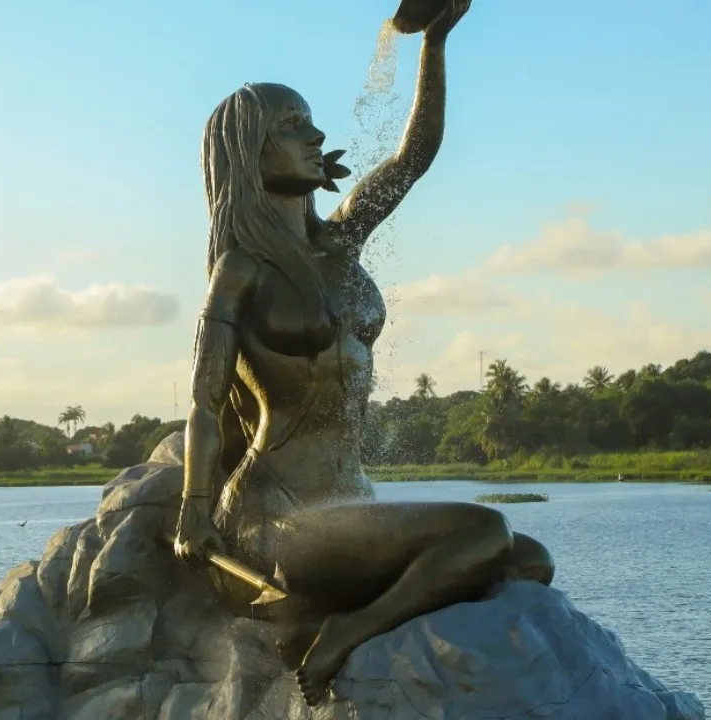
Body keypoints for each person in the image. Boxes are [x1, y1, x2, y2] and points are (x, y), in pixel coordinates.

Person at [171, 0, 555, 707]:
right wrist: (195, 508)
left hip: (348, 507)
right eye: (292, 125)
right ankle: (348, 632)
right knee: (484, 531)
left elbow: (413, 158)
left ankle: (354, 626)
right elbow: (202, 398)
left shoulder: (341, 242)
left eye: (311, 121)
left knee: (529, 559)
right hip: (278, 518)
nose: (316, 135)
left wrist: (434, 44)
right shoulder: (241, 267)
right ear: (249, 152)